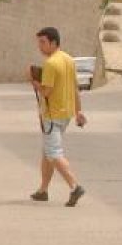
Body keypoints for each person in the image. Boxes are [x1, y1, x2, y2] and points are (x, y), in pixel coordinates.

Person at [28, 26, 87, 207]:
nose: (40, 46)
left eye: (43, 42)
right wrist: (78, 111)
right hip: (65, 114)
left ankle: (74, 186)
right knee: (47, 153)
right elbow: (74, 88)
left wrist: (34, 82)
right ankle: (43, 190)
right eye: (39, 42)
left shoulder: (51, 64)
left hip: (52, 115)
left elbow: (47, 92)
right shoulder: (69, 59)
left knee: (53, 152)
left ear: (54, 42)